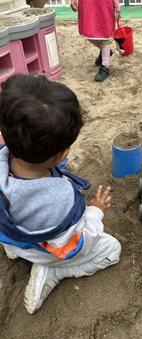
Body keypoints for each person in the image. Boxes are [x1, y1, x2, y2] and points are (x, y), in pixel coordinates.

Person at [0, 75, 121, 314]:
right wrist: (95, 211)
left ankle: (15, 250)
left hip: (13, 235)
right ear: (61, 154)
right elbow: (76, 242)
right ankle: (54, 270)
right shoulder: (59, 200)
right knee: (112, 250)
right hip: (46, 248)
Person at [70, 0, 121, 82]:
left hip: (104, 5)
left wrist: (117, 7)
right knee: (88, 33)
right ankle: (105, 52)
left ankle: (105, 67)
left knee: (104, 35)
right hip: (87, 5)